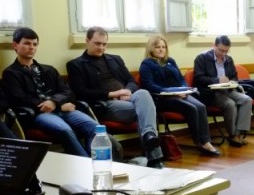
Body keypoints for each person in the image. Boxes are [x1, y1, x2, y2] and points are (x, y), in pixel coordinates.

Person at [66, 26, 164, 168]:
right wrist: (112, 94)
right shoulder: (76, 65)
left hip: (127, 98)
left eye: (104, 44)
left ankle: (149, 136)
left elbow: (131, 81)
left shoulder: (115, 59)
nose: (101, 47)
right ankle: (155, 158)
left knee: (143, 94)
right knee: (146, 111)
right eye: (97, 43)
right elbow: (81, 92)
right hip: (105, 103)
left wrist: (127, 91)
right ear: (87, 41)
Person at [3, 27, 100, 157]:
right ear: (15, 45)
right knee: (65, 130)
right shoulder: (11, 73)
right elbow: (19, 99)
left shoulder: (48, 69)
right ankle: (86, 164)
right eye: (26, 43)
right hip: (39, 114)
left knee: (95, 128)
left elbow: (67, 92)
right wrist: (56, 105)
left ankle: (98, 162)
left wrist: (54, 102)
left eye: (35, 44)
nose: (31, 47)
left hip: (63, 110)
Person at [140, 35, 220, 156]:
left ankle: (206, 141)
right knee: (191, 109)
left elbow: (181, 79)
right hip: (163, 98)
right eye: (157, 47)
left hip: (181, 93)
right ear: (151, 48)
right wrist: (169, 91)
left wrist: (184, 89)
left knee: (201, 107)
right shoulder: (146, 64)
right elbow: (149, 85)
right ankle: (200, 143)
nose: (161, 50)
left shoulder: (170, 61)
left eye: (163, 47)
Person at [192, 35, 253, 147]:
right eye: (221, 50)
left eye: (226, 51)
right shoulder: (201, 58)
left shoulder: (229, 59)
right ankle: (232, 135)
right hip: (210, 92)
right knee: (230, 104)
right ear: (214, 45)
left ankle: (238, 133)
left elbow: (234, 76)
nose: (223, 54)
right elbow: (199, 79)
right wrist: (217, 80)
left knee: (247, 100)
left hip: (227, 90)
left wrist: (233, 82)